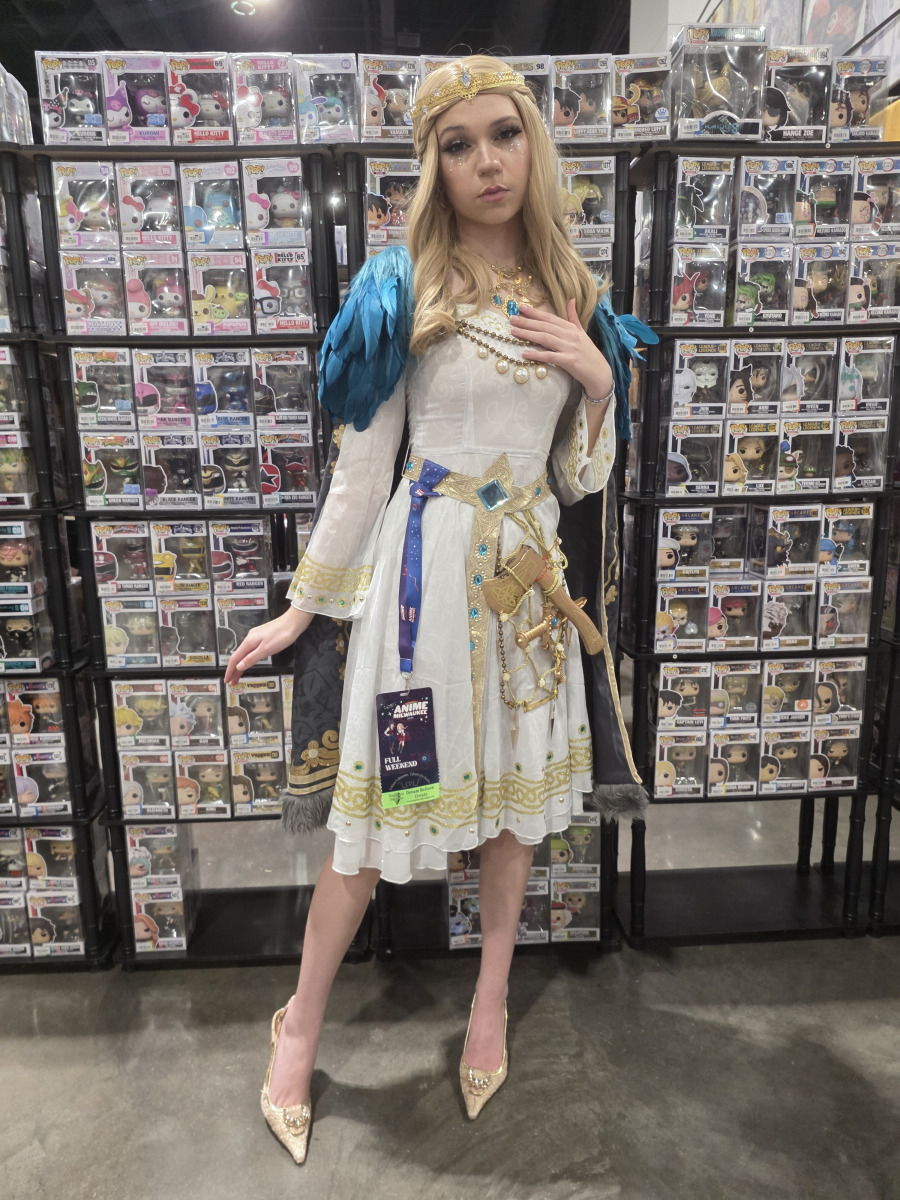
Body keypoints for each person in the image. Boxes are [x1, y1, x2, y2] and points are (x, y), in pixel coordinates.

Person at [225, 54, 649, 1166]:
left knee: (512, 822)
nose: (486, 162)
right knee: (369, 834)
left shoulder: (575, 292)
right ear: (433, 165)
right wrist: (303, 611)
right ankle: (299, 1026)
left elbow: (580, 480)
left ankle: (490, 1004)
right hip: (419, 602)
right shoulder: (400, 288)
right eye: (458, 145)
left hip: (525, 597)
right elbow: (364, 472)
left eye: (503, 135)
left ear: (532, 144)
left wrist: (600, 383)